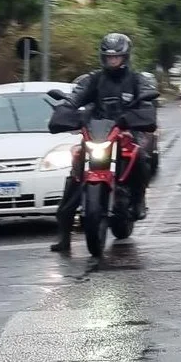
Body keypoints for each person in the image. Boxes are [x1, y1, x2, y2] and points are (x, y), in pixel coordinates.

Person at [49, 33, 154, 252]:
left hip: (126, 132)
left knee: (141, 156)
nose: (112, 60)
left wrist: (143, 108)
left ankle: (138, 200)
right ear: (103, 57)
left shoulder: (136, 80)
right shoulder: (94, 79)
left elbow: (147, 97)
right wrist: (66, 109)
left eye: (116, 57)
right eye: (109, 57)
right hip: (97, 133)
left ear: (125, 57)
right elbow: (75, 97)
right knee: (75, 168)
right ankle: (64, 236)